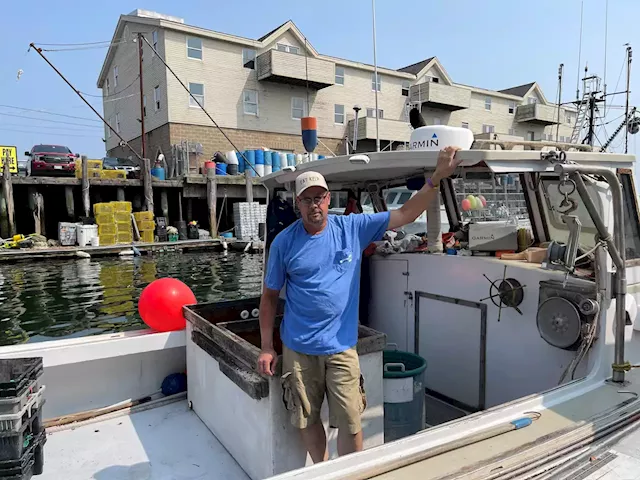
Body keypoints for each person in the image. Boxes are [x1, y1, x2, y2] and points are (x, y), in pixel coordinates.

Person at [257, 146, 462, 463]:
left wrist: (435, 178)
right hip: (298, 347)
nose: (315, 205)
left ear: (328, 199)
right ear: (298, 203)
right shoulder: (284, 242)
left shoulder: (352, 227)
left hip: (341, 347)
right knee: (307, 418)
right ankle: (324, 469)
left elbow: (406, 214)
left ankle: (349, 473)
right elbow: (269, 298)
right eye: (307, 199)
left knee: (352, 423)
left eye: (320, 197)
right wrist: (267, 347)